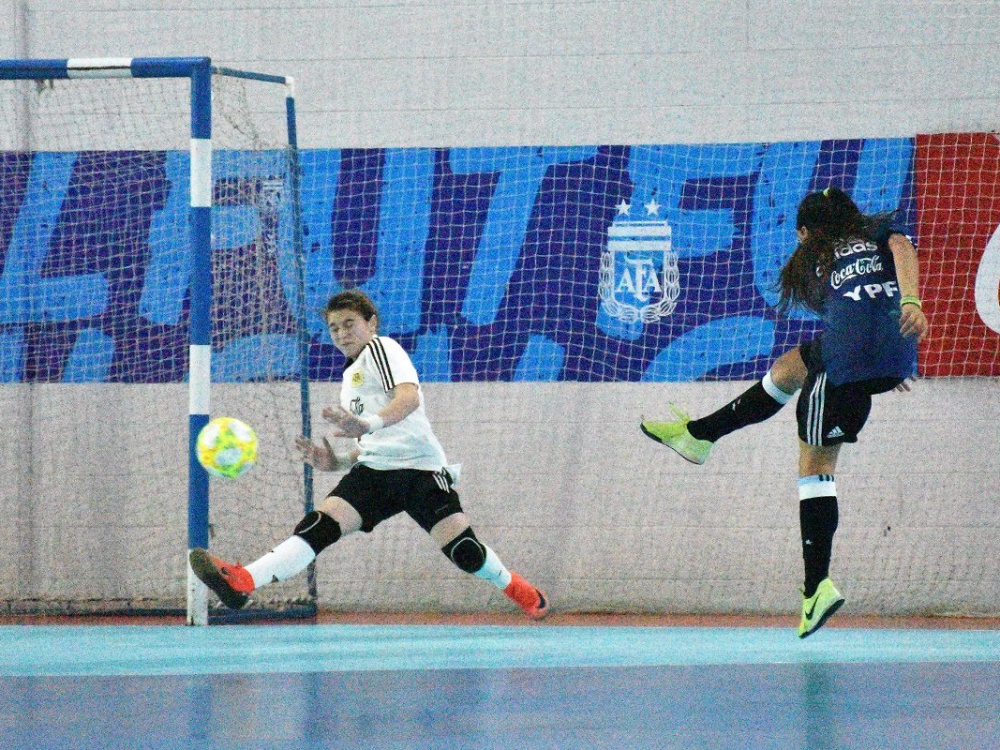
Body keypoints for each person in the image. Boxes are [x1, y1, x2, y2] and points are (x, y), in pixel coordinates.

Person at [640, 187, 929, 638]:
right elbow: (898, 250)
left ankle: (816, 588)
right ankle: (700, 435)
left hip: (845, 367)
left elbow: (884, 269)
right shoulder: (873, 234)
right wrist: (895, 341)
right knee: (789, 367)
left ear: (807, 232)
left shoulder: (816, 260)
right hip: (890, 352)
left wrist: (905, 309)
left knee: (815, 468)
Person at [190, 290, 549, 620]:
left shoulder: (382, 349)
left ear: (371, 323)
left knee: (465, 552)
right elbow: (373, 440)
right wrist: (337, 461)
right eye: (334, 328)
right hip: (374, 472)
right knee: (318, 527)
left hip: (420, 471)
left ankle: (517, 588)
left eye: (349, 324)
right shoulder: (350, 378)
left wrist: (366, 423)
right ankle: (242, 581)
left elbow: (408, 399)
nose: (341, 333)